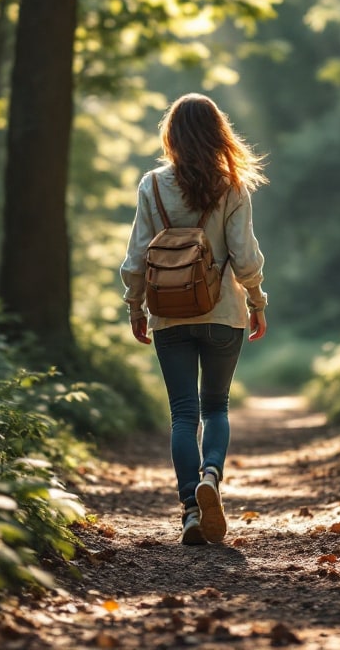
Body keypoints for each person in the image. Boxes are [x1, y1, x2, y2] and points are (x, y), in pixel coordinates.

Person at [119, 93, 269, 545]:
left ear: (172, 135)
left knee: (183, 414)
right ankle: (210, 476)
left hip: (170, 315)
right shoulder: (233, 185)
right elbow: (245, 257)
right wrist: (258, 301)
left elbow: (136, 256)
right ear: (218, 131)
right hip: (223, 312)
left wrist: (135, 305)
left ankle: (189, 509)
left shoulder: (152, 185)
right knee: (216, 406)